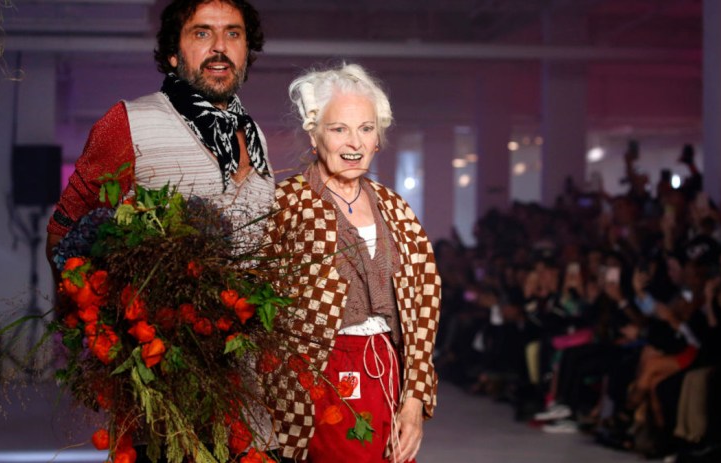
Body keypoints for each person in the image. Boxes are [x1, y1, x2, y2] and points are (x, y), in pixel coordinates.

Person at [264, 63, 441, 463]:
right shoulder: (286, 205)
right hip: (321, 373)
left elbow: (425, 305)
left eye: (366, 128)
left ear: (378, 138)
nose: (354, 141)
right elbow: (256, 304)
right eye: (338, 128)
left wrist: (414, 399)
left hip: (390, 369)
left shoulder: (395, 208)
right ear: (314, 135)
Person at [45, 0, 273, 269]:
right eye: (202, 33)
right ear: (173, 54)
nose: (220, 46)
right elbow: (60, 240)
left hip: (249, 310)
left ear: (246, 50)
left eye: (233, 34)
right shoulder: (127, 121)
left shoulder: (255, 136)